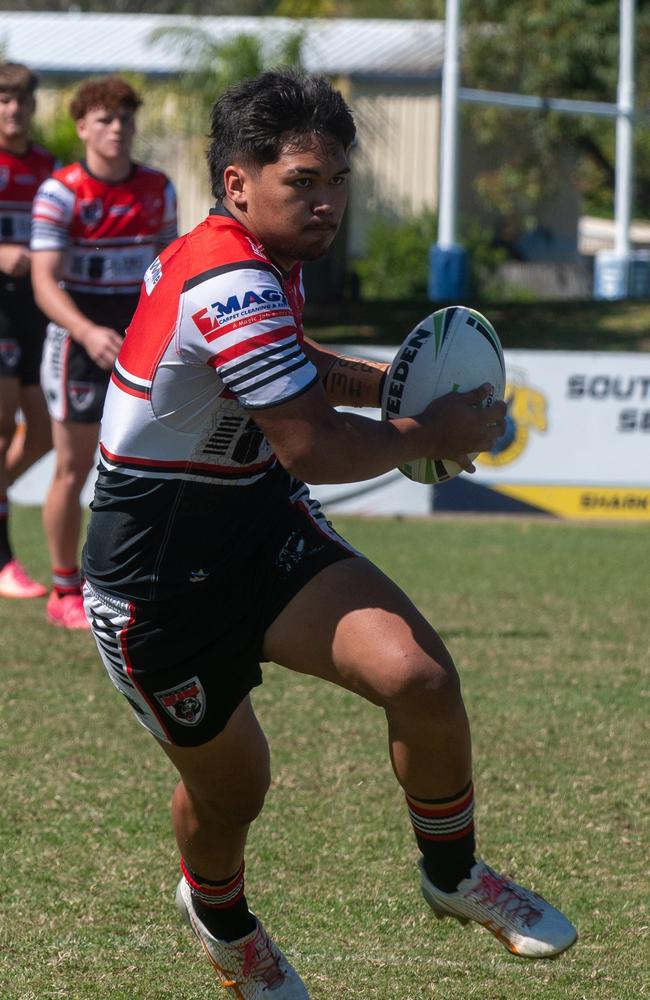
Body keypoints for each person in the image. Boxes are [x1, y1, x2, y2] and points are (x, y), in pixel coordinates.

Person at [81, 70, 577, 997]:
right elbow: (309, 445)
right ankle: (222, 922)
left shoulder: (252, 262)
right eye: (301, 181)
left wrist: (392, 385)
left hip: (258, 527)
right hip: (153, 583)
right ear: (237, 184)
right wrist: (432, 433)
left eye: (336, 180)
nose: (326, 202)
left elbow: (295, 369)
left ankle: (452, 873)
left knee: (420, 679)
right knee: (238, 792)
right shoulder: (228, 279)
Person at [30, 75, 178, 629]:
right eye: (106, 119)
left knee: (146, 464)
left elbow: (169, 272)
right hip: (76, 344)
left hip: (140, 343)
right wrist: (88, 332)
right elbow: (45, 285)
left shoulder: (158, 187)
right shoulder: (61, 191)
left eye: (126, 119)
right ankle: (64, 587)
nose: (118, 129)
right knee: (72, 467)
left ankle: (129, 579)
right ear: (82, 127)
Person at [0, 62, 56, 600]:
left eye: (21, 100)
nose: (14, 110)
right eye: (3, 100)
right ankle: (4, 563)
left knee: (42, 432)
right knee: (1, 427)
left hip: (34, 310)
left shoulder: (48, 168)